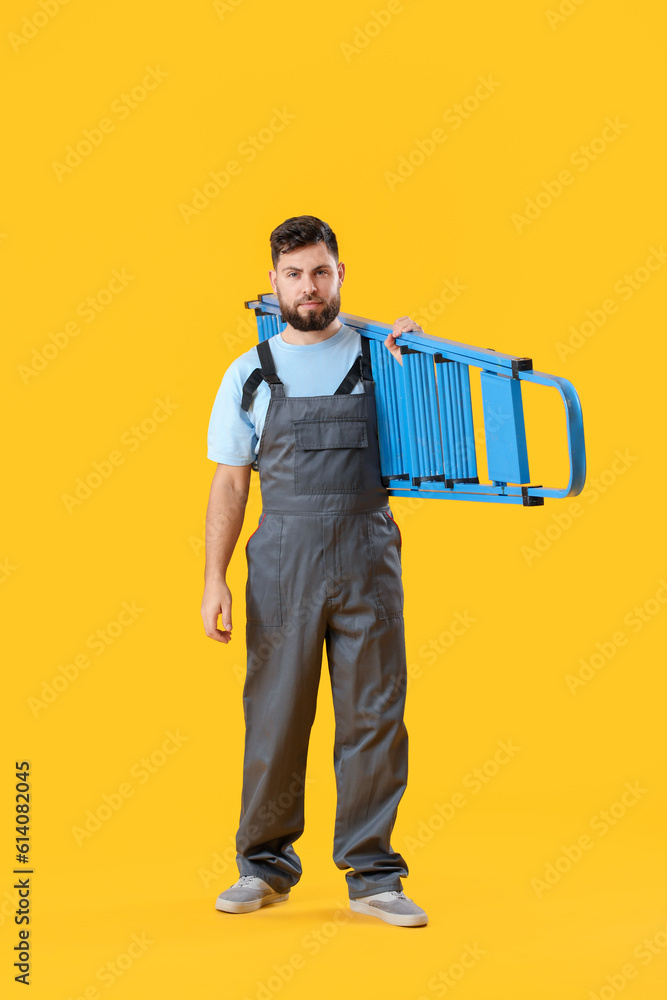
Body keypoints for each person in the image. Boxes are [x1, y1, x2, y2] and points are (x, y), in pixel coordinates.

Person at [201, 215, 428, 927]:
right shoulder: (248, 371)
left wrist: (418, 356)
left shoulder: (381, 356)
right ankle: (263, 866)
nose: (309, 286)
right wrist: (214, 577)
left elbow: (457, 409)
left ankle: (374, 877)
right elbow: (231, 482)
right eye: (295, 274)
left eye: (321, 272)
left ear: (339, 275)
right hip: (282, 563)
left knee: (374, 716)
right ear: (272, 283)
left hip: (367, 554)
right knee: (274, 715)